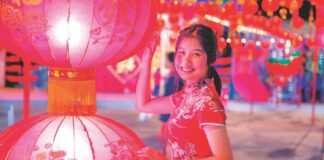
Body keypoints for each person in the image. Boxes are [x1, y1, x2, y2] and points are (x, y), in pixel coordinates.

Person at [136, 24, 233, 160]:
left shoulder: (206, 102)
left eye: (196, 54)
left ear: (210, 59)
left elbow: (224, 158)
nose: (185, 61)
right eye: (181, 53)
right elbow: (143, 105)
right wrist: (147, 61)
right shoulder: (187, 94)